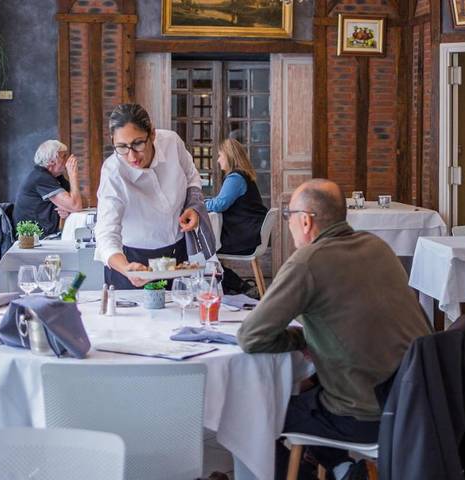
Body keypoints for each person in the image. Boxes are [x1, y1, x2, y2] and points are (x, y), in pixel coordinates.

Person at [236, 179, 430, 480]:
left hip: (364, 414)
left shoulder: (308, 262)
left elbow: (250, 337)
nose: (287, 223)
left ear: (305, 220)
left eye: (289, 215)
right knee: (309, 388)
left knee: (253, 412)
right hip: (413, 400)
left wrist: (300, 338)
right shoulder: (376, 246)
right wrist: (311, 338)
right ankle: (343, 470)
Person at [94, 103, 202, 289]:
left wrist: (193, 207)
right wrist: (127, 268)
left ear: (152, 134)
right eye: (121, 147)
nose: (131, 156)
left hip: (177, 254)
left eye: (137, 144)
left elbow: (191, 176)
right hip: (131, 260)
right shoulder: (113, 172)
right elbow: (106, 233)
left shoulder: (172, 143)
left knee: (181, 313)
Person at [205, 138, 268, 296]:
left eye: (220, 155)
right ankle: (235, 287)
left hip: (243, 237)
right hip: (251, 235)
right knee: (206, 251)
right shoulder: (243, 176)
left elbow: (220, 204)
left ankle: (238, 286)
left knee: (204, 251)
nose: (218, 160)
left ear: (229, 156)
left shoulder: (235, 178)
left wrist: (198, 204)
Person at [13, 140, 82, 236]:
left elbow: (79, 202)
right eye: (64, 156)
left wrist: (68, 208)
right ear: (51, 161)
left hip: (46, 236)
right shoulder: (40, 177)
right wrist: (73, 176)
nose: (67, 160)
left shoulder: (56, 177)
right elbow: (76, 206)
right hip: (33, 240)